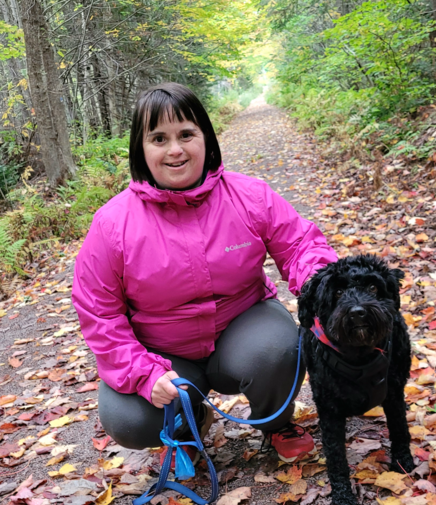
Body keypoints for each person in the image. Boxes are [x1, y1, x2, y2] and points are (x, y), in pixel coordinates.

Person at [72, 82, 338, 466]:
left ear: (206, 139)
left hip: (242, 326)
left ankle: (276, 421)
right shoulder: (112, 223)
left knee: (280, 348)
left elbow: (300, 246)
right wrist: (143, 373)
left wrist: (320, 285)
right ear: (141, 148)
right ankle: (189, 425)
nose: (175, 149)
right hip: (163, 353)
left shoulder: (250, 195)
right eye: (159, 138)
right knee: (126, 419)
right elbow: (98, 311)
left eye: (186, 134)